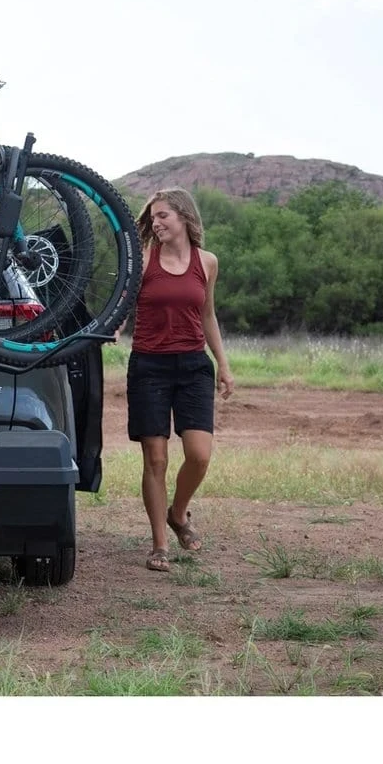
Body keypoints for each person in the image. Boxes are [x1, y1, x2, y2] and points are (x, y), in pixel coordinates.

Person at [126, 188, 233, 572]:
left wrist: (223, 364)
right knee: (155, 459)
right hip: (149, 366)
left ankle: (178, 513)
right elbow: (124, 304)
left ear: (184, 217)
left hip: (193, 366)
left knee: (199, 455)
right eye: (153, 217)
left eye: (163, 216)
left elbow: (208, 315)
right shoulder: (143, 259)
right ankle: (159, 545)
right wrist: (113, 327)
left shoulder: (207, 262)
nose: (156, 223)